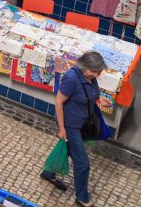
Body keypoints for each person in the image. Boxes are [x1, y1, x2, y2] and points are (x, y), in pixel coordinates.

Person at [40, 50, 110, 207]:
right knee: (83, 162)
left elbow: (89, 93)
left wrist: (100, 98)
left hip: (82, 122)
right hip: (70, 124)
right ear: (83, 66)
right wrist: (62, 128)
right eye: (93, 71)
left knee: (67, 148)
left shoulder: (90, 76)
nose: (96, 75)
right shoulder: (71, 78)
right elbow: (59, 102)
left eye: (98, 72)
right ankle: (82, 199)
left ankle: (48, 173)